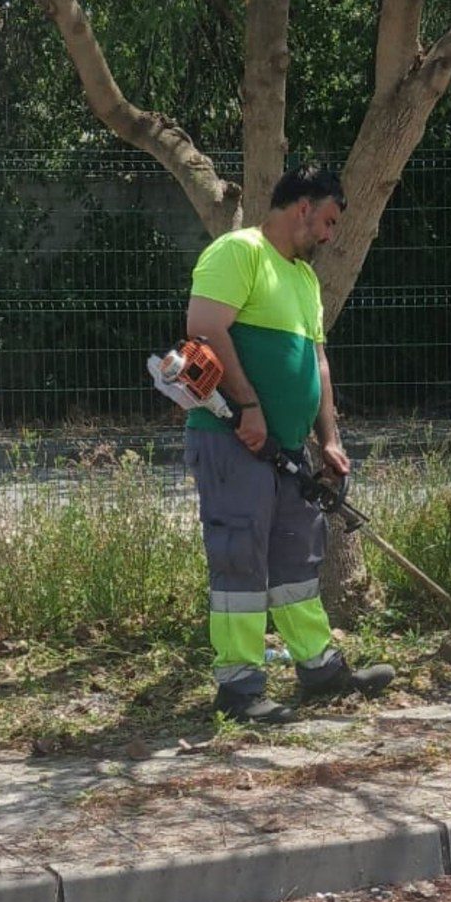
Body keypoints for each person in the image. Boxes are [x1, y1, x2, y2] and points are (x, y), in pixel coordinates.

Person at [184, 163, 395, 725]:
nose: (329, 236)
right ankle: (239, 688)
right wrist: (249, 408)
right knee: (240, 559)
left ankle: (320, 670)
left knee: (297, 560)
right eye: (326, 221)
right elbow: (204, 327)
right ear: (303, 207)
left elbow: (318, 364)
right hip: (232, 443)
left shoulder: (301, 279)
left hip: (288, 450)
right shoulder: (239, 252)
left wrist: (329, 438)